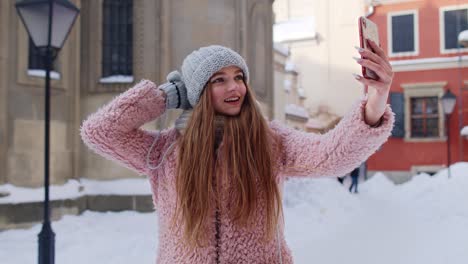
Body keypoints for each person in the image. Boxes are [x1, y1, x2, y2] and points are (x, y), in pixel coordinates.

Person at [80, 42, 394, 264]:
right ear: (196, 93)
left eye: (239, 77)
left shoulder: (269, 141)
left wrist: (376, 100)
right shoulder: (163, 152)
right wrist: (162, 97)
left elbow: (331, 155)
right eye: (219, 80)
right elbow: (99, 132)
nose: (235, 88)